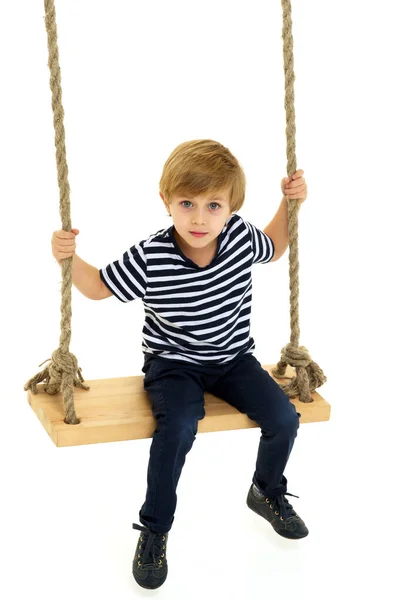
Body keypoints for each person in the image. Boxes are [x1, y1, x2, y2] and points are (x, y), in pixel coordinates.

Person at [51, 139, 309, 590]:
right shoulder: (151, 256)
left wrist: (291, 203)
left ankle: (266, 491)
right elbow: (95, 287)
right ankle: (155, 529)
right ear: (165, 200)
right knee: (178, 426)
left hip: (233, 358)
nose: (198, 218)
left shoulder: (241, 238)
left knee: (285, 417)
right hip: (173, 365)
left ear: (230, 208)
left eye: (213, 205)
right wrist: (67, 257)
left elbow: (277, 245)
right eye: (186, 203)